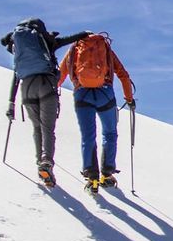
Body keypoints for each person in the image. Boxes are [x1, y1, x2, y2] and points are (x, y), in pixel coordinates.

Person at [1, 18, 91, 187]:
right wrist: (85, 34)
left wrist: (11, 103)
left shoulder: (18, 49)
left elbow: (15, 75)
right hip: (46, 85)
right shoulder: (46, 43)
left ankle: (39, 164)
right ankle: (46, 163)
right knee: (47, 128)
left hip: (26, 88)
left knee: (36, 128)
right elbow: (69, 39)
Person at [57, 32, 135, 194]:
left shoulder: (74, 49)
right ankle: (106, 174)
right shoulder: (105, 49)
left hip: (82, 94)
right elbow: (123, 74)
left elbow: (61, 74)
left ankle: (91, 177)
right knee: (110, 133)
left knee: (88, 135)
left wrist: (51, 91)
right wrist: (129, 98)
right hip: (105, 94)